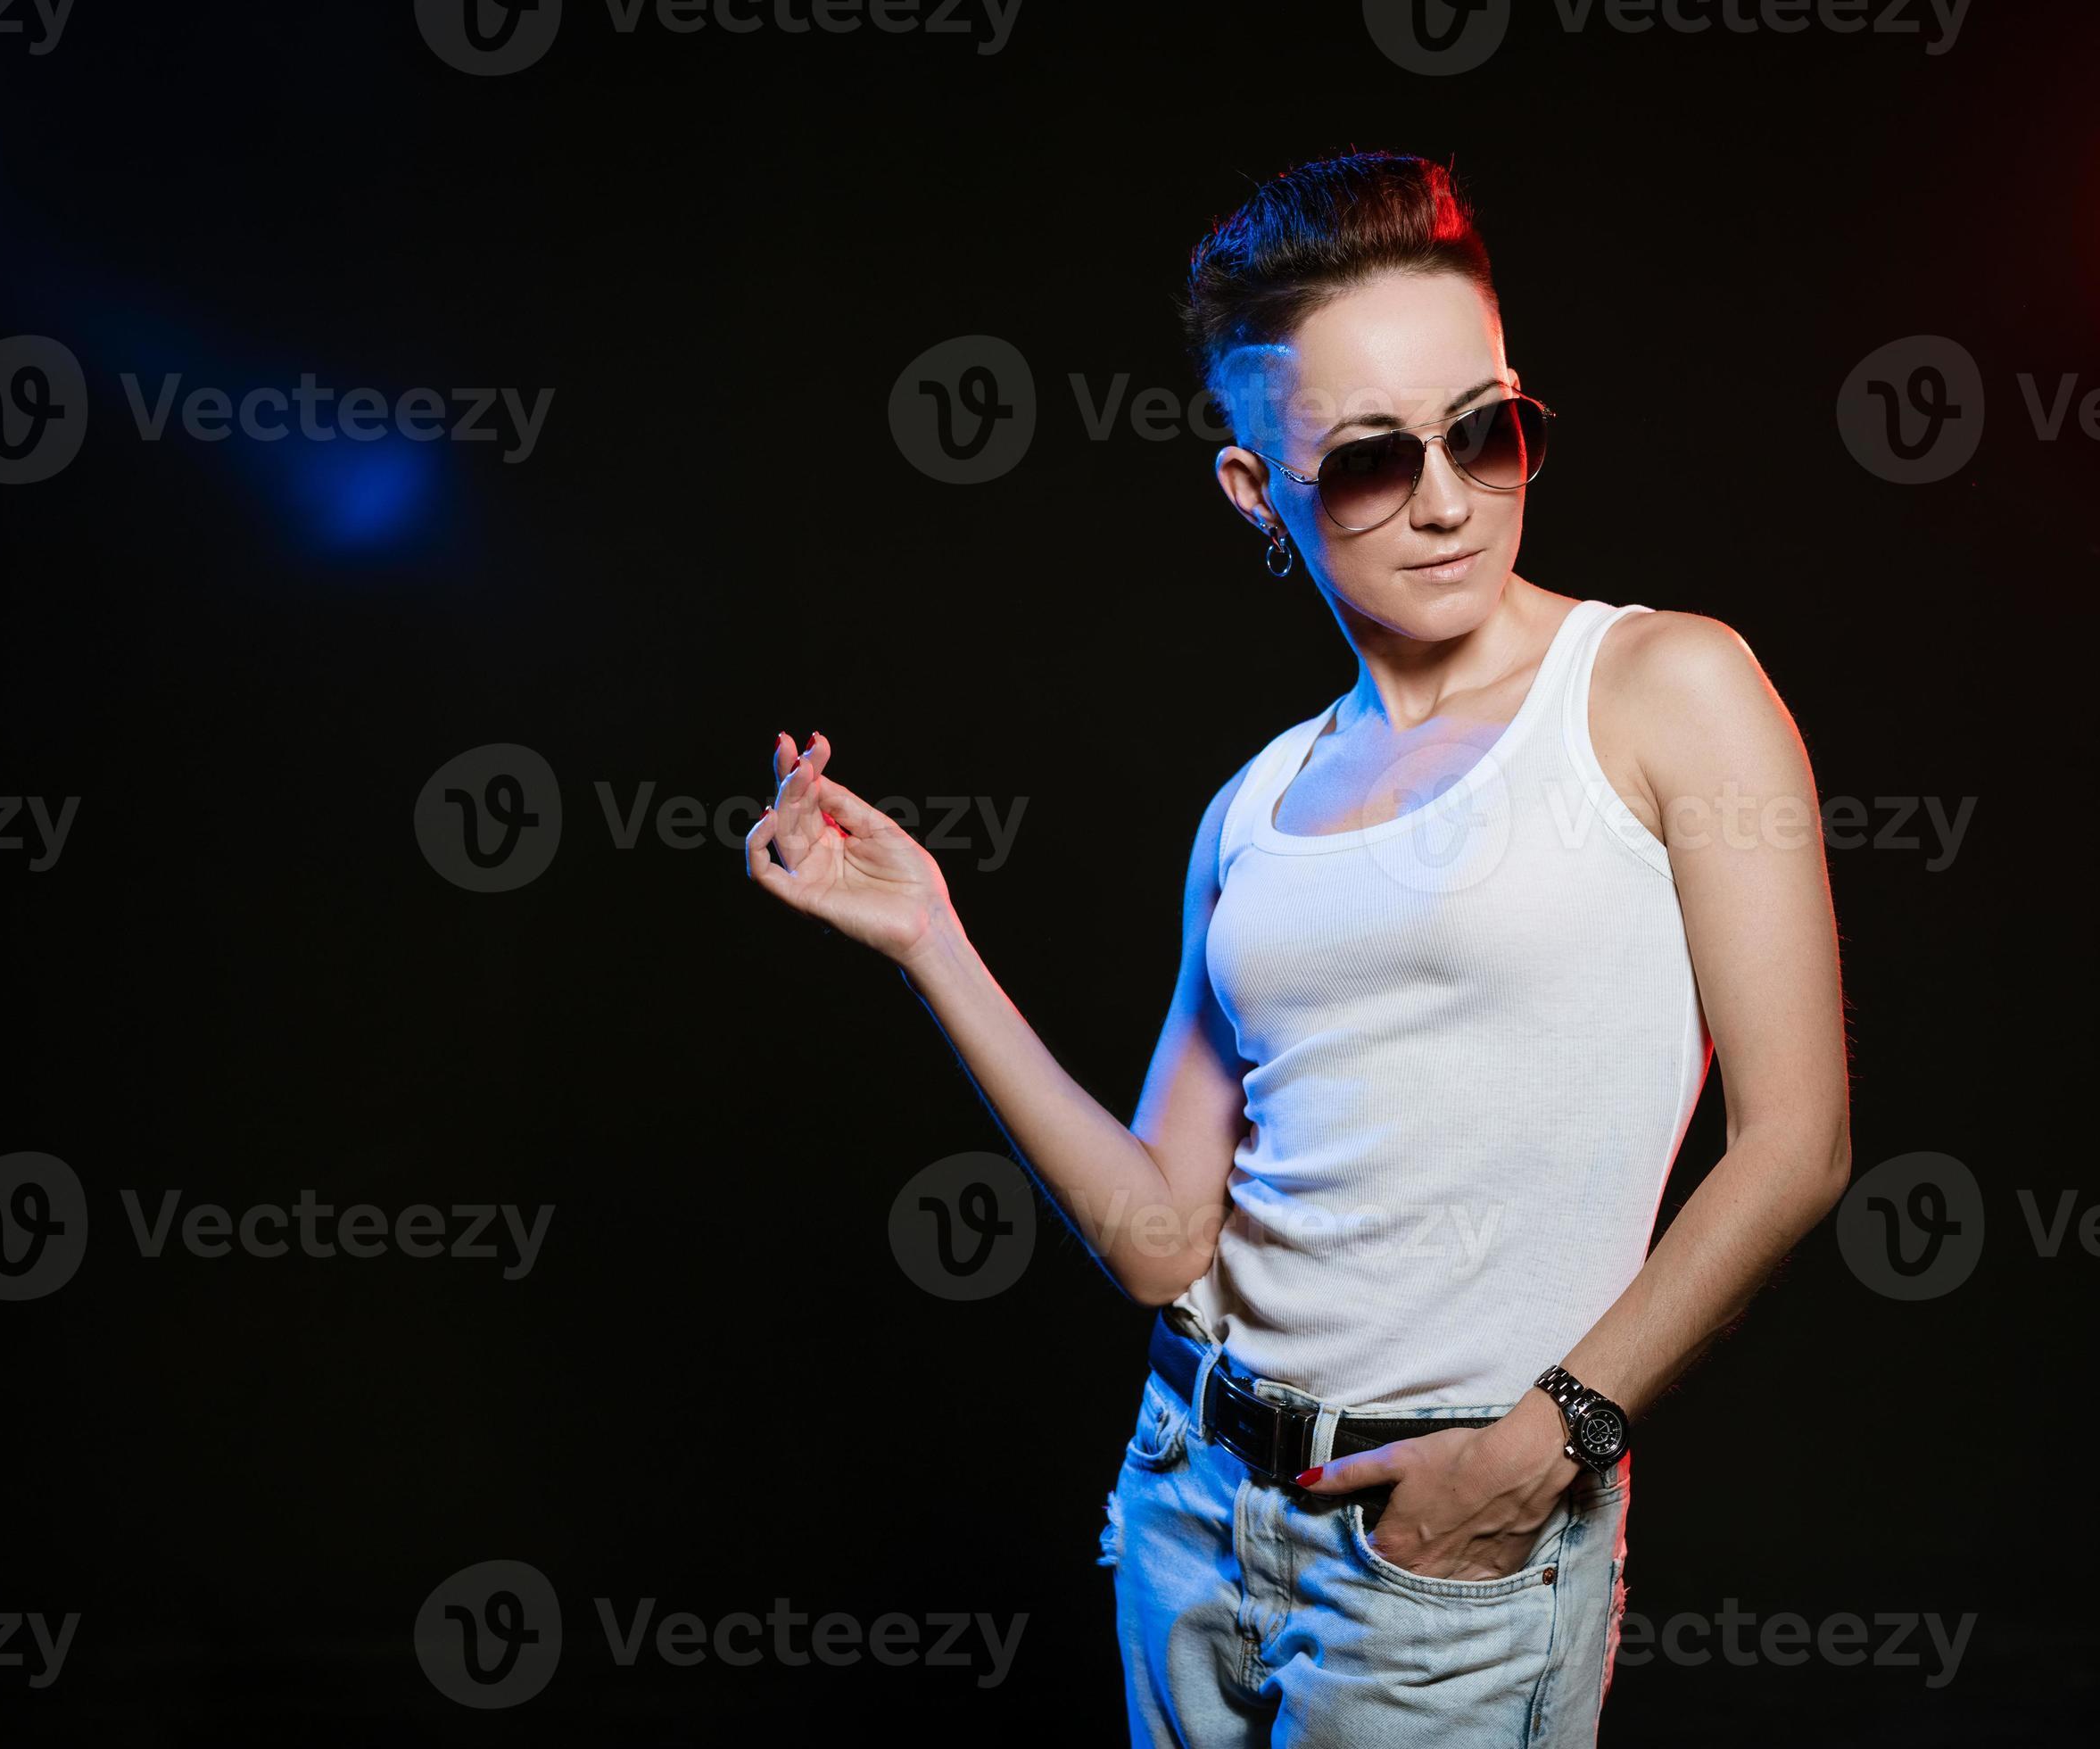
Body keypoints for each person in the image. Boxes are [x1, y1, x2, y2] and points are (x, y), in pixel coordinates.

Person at [744, 149, 1851, 1747]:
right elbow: (1156, 1237)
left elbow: (1797, 1146)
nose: (1452, 497)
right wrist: (930, 939)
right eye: (1369, 462)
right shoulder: (1257, 807)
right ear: (1256, 489)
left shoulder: (1664, 687)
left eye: (1488, 429)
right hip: (1190, 1502)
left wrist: (1540, 1451)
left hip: (1445, 1539)